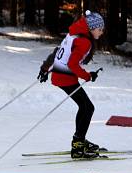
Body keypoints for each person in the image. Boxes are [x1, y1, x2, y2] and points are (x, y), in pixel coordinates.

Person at [39, 10, 104, 159]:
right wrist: (87, 76)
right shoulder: (84, 41)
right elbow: (72, 64)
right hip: (65, 77)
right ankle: (78, 145)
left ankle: (79, 141)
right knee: (88, 107)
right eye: (100, 29)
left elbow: (58, 52)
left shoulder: (74, 34)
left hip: (61, 75)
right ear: (92, 28)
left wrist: (45, 68)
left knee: (85, 106)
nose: (101, 33)